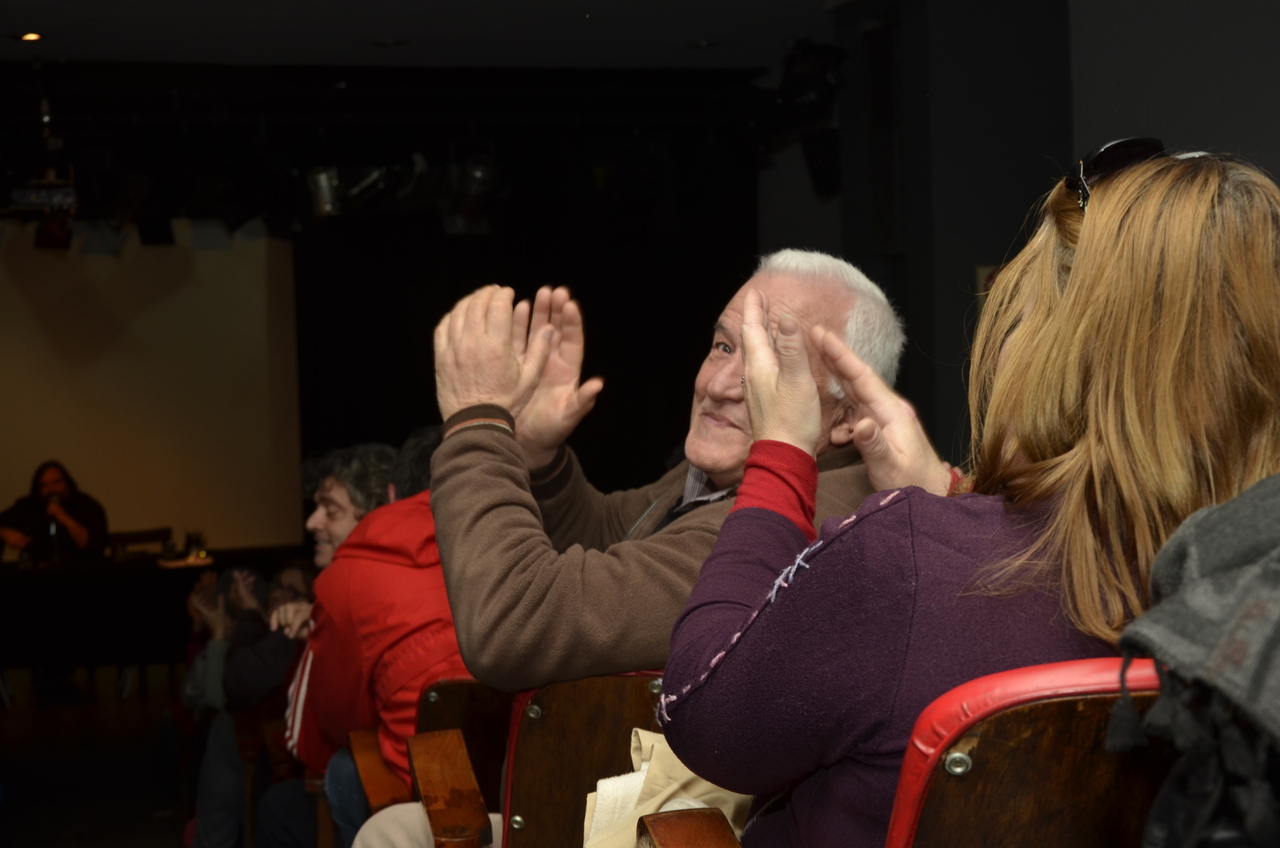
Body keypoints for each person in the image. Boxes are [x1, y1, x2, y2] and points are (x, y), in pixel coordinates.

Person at [658, 143, 1280, 848]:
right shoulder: (1248, 597)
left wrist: (780, 458)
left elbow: (700, 714)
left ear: (1057, 347)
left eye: (1025, 313)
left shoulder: (899, 565)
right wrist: (950, 498)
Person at [352, 250, 922, 847]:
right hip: (611, 808)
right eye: (724, 347)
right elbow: (614, 537)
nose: (717, 385)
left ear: (846, 418)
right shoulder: (725, 479)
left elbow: (513, 622)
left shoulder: (783, 527)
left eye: (767, 363)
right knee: (393, 830)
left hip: (655, 830)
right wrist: (537, 456)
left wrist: (476, 423)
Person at [265, 428, 469, 848]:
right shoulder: (518, 545)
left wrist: (318, 626)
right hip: (519, 783)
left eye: (330, 509)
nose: (311, 522)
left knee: (329, 777)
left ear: (387, 500)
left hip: (428, 801)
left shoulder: (348, 585)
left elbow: (317, 741)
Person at [0, 460, 107, 563]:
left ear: (67, 483)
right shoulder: (29, 506)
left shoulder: (86, 505)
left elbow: (91, 545)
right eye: (44, 485)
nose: (51, 489)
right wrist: (4, 533)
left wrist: (63, 517)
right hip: (36, 573)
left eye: (56, 482)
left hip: (81, 571)